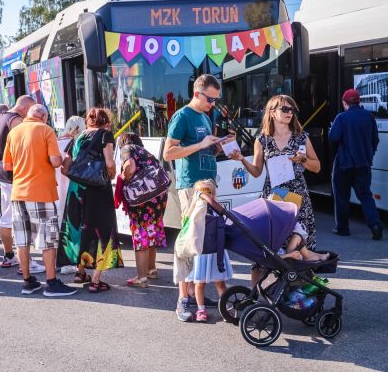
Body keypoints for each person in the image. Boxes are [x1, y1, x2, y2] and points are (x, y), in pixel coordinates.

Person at [163, 74, 224, 322]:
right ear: (197, 93)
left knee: (203, 242)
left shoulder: (204, 117)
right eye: (210, 99)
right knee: (189, 241)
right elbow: (168, 152)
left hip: (207, 185)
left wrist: (217, 146)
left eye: (216, 100)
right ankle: (182, 299)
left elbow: (201, 145)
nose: (213, 103)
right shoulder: (182, 116)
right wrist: (200, 145)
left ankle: (197, 293)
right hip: (190, 187)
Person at [229, 95, 321, 249]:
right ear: (272, 113)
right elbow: (257, 172)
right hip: (273, 195)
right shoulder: (262, 140)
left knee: (298, 239)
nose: (289, 112)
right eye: (285, 109)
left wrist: (302, 160)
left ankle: (297, 269)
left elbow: (317, 167)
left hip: (297, 195)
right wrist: (242, 160)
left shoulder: (301, 137)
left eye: (292, 109)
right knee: (274, 242)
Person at [3, 104, 77, 296]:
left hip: (18, 193)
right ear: (44, 117)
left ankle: (28, 281)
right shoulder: (46, 130)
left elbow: (7, 165)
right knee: (48, 240)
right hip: (42, 192)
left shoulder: (14, 132)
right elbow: (55, 161)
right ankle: (51, 283)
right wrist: (63, 158)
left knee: (22, 240)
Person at [58, 108, 123, 293]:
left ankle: (80, 272)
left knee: (80, 228)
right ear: (106, 121)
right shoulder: (105, 135)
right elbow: (110, 163)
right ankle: (95, 281)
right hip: (97, 191)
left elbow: (65, 166)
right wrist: (110, 175)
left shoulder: (77, 137)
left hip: (76, 190)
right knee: (102, 231)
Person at [0, 96, 44, 274]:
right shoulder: (16, 120)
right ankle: (26, 263)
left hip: (4, 174)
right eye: (29, 109)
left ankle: (9, 255)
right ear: (24, 107)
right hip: (19, 175)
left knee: (6, 218)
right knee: (22, 221)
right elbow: (26, 146)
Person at [329, 89, 383, 240]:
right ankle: (375, 225)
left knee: (341, 196)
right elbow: (375, 139)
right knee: (365, 195)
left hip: (344, 164)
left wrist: (331, 129)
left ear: (344, 103)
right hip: (364, 164)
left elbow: (333, 138)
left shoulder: (341, 117)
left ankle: (343, 228)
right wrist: (369, 155)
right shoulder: (369, 117)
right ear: (359, 101)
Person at [118, 132, 167, 288]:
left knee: (141, 234)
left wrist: (123, 177)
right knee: (151, 231)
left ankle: (141, 277)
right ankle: (151, 270)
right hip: (158, 197)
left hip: (142, 200)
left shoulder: (126, 149)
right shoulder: (145, 153)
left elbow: (130, 168)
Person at [184, 179, 233, 323]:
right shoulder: (194, 211)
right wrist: (195, 202)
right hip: (201, 253)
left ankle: (225, 308)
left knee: (220, 283)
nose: (206, 195)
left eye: (209, 192)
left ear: (213, 194)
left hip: (216, 252)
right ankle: (201, 309)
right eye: (202, 192)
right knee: (199, 283)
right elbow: (188, 220)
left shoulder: (217, 209)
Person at [55, 116, 86, 275]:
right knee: (70, 225)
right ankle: (68, 262)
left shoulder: (56, 141)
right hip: (71, 189)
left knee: (56, 223)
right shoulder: (75, 144)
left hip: (55, 189)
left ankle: (55, 259)